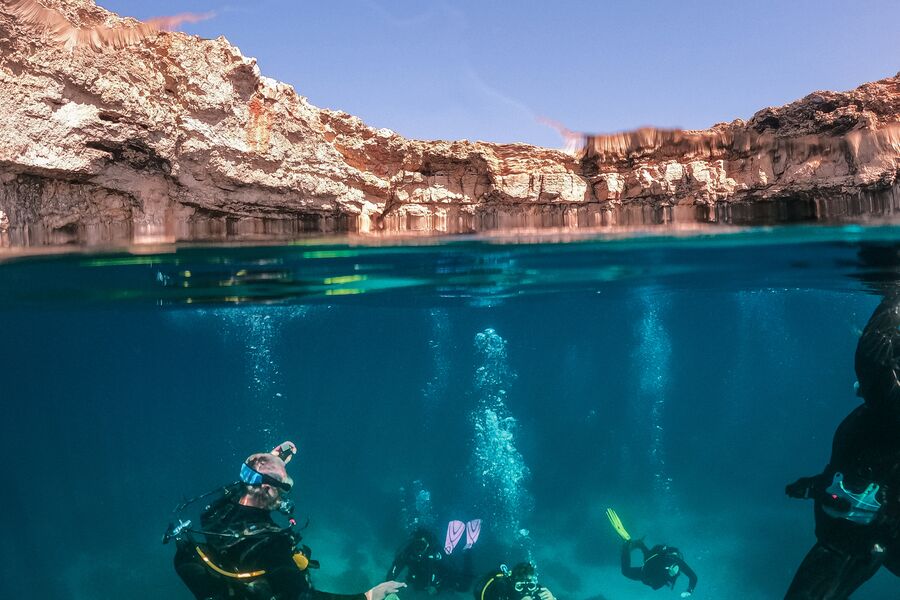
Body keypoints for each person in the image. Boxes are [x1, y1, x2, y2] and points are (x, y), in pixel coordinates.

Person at [169, 441, 405, 600]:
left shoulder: (214, 513)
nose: (283, 495)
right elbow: (306, 598)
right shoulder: (271, 542)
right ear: (269, 489)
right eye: (283, 487)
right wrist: (368, 596)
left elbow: (246, 482)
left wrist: (272, 459)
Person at [784, 293, 900, 599]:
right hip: (854, 538)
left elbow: (872, 362)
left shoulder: (888, 403)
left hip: (860, 537)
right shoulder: (880, 411)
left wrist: (893, 300)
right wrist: (818, 486)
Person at [607, 508, 697, 597]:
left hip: (646, 571)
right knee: (655, 583)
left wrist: (636, 545)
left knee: (626, 571)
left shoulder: (661, 556)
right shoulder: (677, 560)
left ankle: (626, 542)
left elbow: (647, 554)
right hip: (649, 574)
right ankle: (627, 543)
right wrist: (689, 590)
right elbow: (693, 576)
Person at [386, 520, 480, 594]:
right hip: (422, 577)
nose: (418, 549)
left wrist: (437, 587)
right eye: (416, 545)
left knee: (463, 587)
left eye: (421, 545)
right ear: (412, 544)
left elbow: (450, 573)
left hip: (439, 575)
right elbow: (395, 567)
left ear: (427, 545)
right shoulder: (407, 552)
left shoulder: (435, 554)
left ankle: (467, 551)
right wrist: (388, 584)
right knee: (418, 586)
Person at [475, 562, 556, 600]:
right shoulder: (502, 591)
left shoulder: (538, 592)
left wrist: (553, 599)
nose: (526, 591)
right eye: (519, 586)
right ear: (512, 584)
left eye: (530, 586)